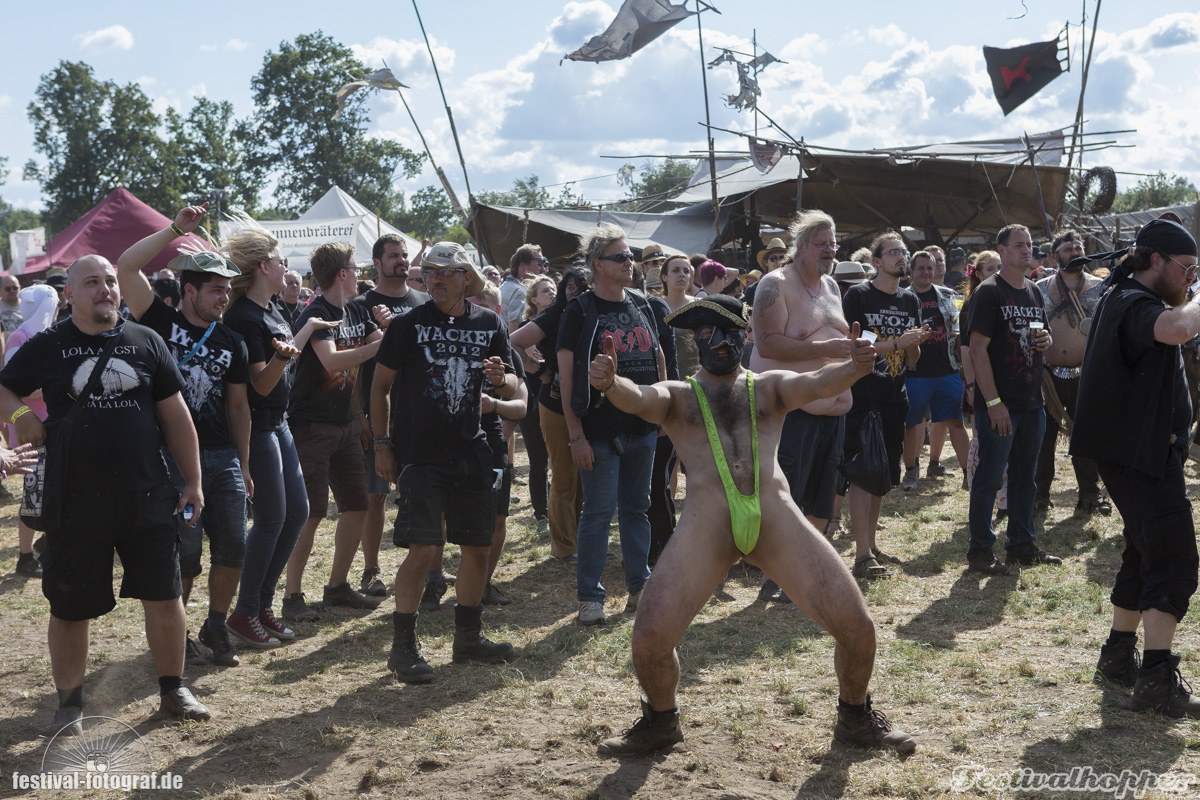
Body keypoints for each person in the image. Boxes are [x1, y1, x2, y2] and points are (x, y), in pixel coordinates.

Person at [592, 295, 914, 757]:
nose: (719, 343)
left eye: (728, 333)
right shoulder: (680, 397)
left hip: (775, 519)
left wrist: (857, 367)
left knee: (858, 628)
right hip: (708, 524)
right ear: (695, 341)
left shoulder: (767, 387)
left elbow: (818, 381)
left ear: (744, 335)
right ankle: (660, 722)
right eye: (706, 334)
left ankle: (856, 720)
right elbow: (641, 398)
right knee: (648, 639)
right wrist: (611, 383)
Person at [0, 255, 211, 733]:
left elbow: (176, 416)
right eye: (92, 282)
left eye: (111, 281)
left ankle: (173, 688)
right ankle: (70, 705)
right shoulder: (48, 345)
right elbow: (3, 390)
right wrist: (19, 419)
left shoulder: (146, 341)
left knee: (164, 595)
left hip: (147, 493)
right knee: (71, 605)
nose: (105, 289)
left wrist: (194, 481)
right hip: (74, 501)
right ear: (69, 294)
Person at [370, 241, 519, 683]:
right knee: (424, 549)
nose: (435, 279)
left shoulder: (489, 322)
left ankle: (468, 638)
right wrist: (382, 443)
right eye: (430, 271)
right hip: (420, 455)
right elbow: (379, 388)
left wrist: (501, 378)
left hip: (472, 450)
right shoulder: (407, 325)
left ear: (465, 277)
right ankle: (402, 649)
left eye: (446, 272)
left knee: (476, 547)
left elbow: (511, 383)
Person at [1072, 219, 1200, 717]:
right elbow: (1177, 328)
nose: (1188, 279)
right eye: (1185, 270)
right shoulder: (1132, 303)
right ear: (1155, 261)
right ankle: (1155, 679)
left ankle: (1119, 654)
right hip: (1139, 454)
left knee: (1141, 550)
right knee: (1173, 558)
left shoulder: (1124, 297)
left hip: (1138, 451)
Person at [117, 205, 252, 669]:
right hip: (170, 459)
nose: (224, 298)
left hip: (223, 457)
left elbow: (238, 406)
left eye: (228, 290)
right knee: (187, 553)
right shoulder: (155, 319)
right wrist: (175, 230)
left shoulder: (231, 341)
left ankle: (216, 624)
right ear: (189, 290)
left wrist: (245, 465)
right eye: (216, 289)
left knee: (234, 545)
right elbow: (126, 267)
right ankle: (179, 632)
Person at [222, 226, 333, 647]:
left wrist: (303, 331)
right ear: (264, 267)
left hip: (279, 423)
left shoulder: (271, 309)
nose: (287, 268)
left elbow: (286, 353)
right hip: (259, 425)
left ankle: (261, 605)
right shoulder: (243, 318)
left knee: (296, 514)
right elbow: (261, 386)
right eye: (281, 260)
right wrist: (282, 358)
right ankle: (245, 611)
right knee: (271, 519)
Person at [558, 224, 670, 626]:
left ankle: (639, 586)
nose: (630, 263)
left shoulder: (642, 303)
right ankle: (590, 597)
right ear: (597, 265)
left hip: (642, 426)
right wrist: (575, 436)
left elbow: (657, 358)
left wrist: (662, 411)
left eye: (630, 256)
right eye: (620, 257)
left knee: (638, 509)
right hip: (599, 430)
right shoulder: (580, 311)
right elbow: (567, 378)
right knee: (598, 514)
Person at [750, 211, 851, 594]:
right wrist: (825, 348)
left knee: (822, 499)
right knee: (786, 495)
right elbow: (768, 342)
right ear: (802, 245)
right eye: (823, 242)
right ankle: (773, 575)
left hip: (834, 410)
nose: (830, 249)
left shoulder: (832, 288)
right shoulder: (775, 284)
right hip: (792, 412)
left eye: (834, 242)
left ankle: (803, 572)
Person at [283, 242, 383, 620]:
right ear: (342, 274)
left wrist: (358, 415)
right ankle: (292, 596)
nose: (360, 275)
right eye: (355, 269)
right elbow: (332, 361)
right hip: (311, 426)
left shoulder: (356, 309)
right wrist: (384, 342)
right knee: (310, 513)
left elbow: (377, 343)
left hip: (344, 423)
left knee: (357, 506)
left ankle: (337, 587)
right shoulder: (317, 312)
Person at [966, 224, 1061, 575]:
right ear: (1002, 250)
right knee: (990, 477)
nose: (1027, 250)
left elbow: (1042, 335)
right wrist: (993, 403)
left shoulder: (1035, 292)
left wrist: (1046, 342)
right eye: (1019, 245)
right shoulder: (989, 293)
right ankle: (980, 552)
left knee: (1026, 477)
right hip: (999, 405)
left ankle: (1021, 545)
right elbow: (977, 350)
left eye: (1030, 245)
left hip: (1031, 402)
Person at [841, 233, 928, 578]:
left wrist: (912, 345)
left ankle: (872, 546)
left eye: (904, 252)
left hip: (896, 395)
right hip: (864, 395)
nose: (901, 257)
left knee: (882, 474)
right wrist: (897, 342)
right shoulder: (859, 295)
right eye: (894, 252)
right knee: (863, 473)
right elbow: (857, 347)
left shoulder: (910, 300)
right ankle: (862, 554)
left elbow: (914, 358)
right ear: (876, 261)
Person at [355, 234, 430, 599]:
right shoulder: (362, 305)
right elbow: (352, 370)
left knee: (427, 492)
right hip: (379, 412)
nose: (402, 261)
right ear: (377, 263)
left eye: (404, 255)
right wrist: (361, 415)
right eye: (393, 256)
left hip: (419, 414)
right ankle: (371, 570)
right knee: (375, 494)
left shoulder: (424, 302)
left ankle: (432, 568)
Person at [510, 267, 590, 563]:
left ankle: (581, 539)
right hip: (555, 403)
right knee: (564, 475)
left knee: (586, 475)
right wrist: (539, 370)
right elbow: (513, 341)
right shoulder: (553, 316)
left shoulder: (595, 313)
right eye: (568, 285)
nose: (574, 291)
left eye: (580, 285)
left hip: (590, 404)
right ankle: (564, 547)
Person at [1034, 230, 1110, 517]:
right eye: (1068, 249)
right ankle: (1039, 495)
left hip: (1086, 374)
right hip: (1047, 375)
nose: (1075, 252)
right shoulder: (1038, 288)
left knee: (1087, 436)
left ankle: (1090, 494)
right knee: (1044, 437)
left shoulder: (1100, 287)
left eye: (1078, 247)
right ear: (1055, 256)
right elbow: (1032, 327)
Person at [900, 250, 968, 490]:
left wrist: (966, 372)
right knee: (912, 423)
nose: (926, 272)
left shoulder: (949, 295)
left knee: (956, 422)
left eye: (930, 268)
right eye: (921, 268)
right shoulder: (901, 298)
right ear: (911, 270)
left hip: (946, 370)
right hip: (915, 373)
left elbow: (960, 336)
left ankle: (969, 474)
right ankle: (910, 473)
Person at [5, 284, 59, 577]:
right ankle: (25, 557)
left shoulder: (48, 336)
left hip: (49, 423)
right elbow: (12, 385)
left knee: (51, 488)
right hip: (26, 424)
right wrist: (56, 384)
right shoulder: (20, 336)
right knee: (32, 493)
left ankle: (44, 543)